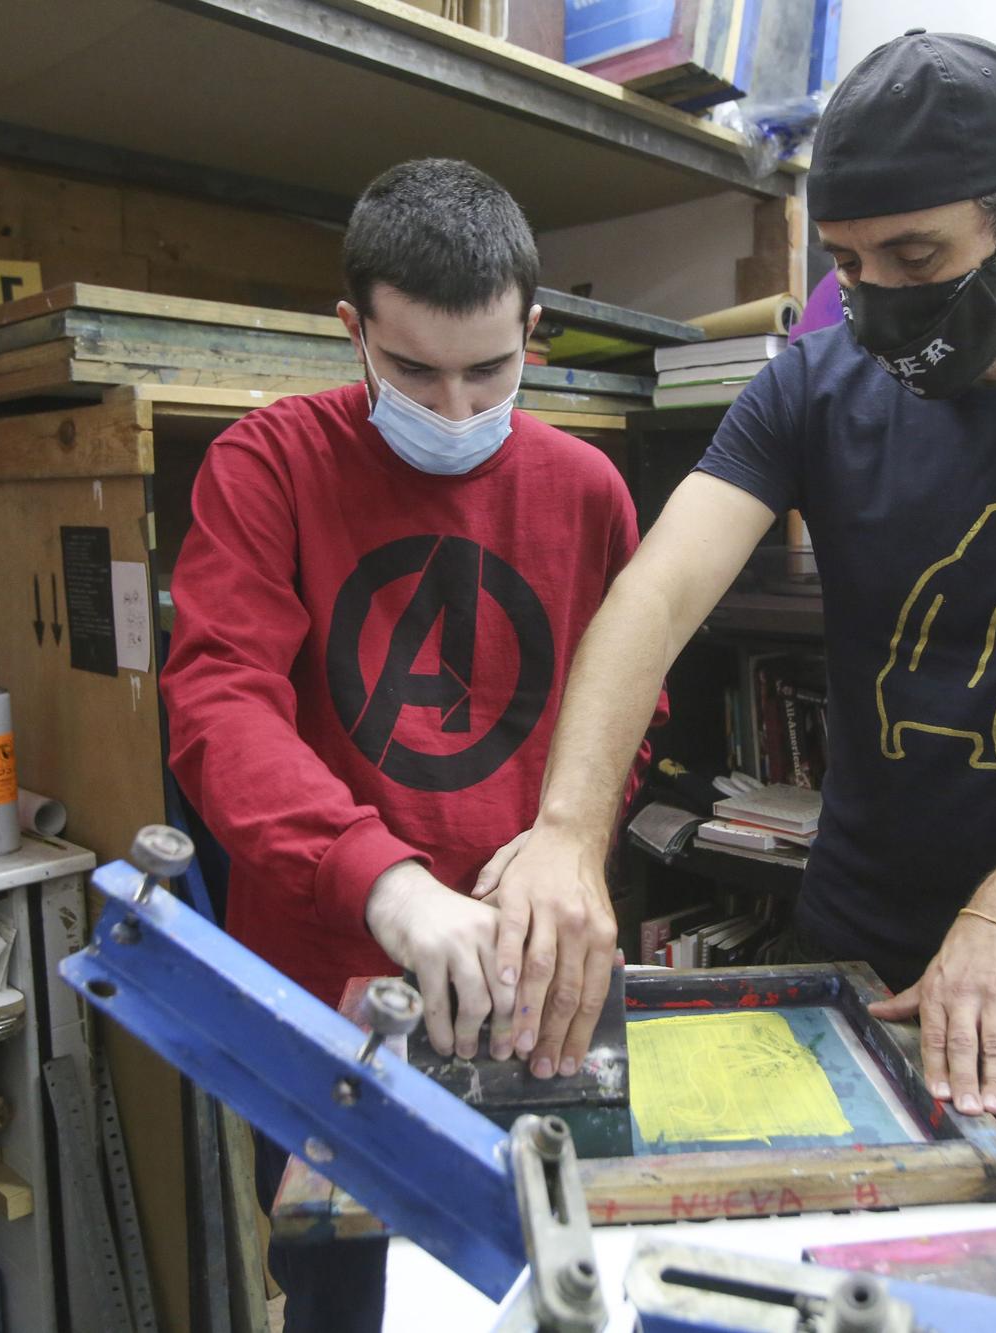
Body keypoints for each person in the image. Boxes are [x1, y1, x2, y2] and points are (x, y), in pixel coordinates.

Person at [480, 32, 996, 1289]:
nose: (875, 296)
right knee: (848, 1287)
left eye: (916, 257)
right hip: (855, 953)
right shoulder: (814, 385)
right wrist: (564, 826)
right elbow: (651, 598)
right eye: (845, 264)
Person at [161, 158, 658, 1331]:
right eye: (411, 369)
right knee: (348, 1302)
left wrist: (565, 844)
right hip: (325, 995)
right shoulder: (267, 464)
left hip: (538, 990)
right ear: (353, 331)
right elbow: (219, 703)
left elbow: (629, 719)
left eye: (488, 370)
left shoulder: (587, 490)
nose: (451, 410)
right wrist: (379, 878)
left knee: (554, 1292)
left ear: (533, 330)